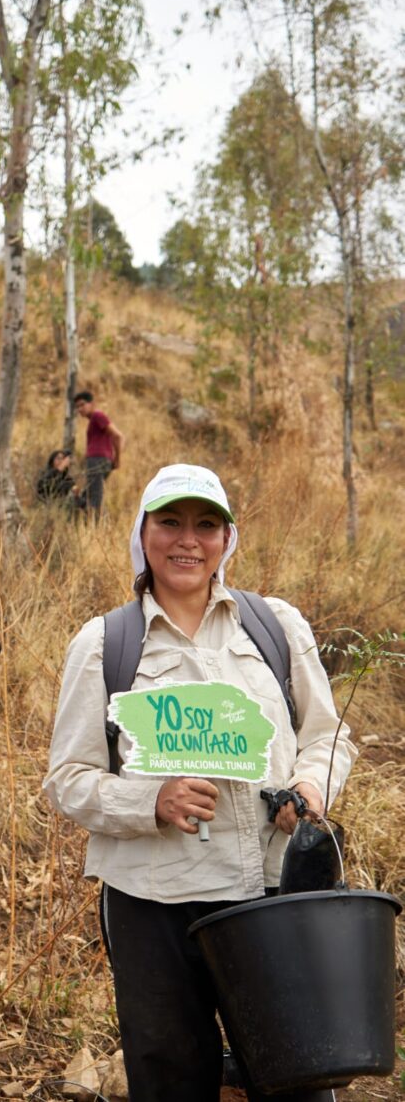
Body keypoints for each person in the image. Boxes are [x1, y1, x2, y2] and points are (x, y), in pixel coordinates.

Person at [44, 463, 356, 1102]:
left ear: (226, 538)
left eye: (206, 525)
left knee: (296, 1074)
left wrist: (311, 786)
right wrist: (149, 800)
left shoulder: (275, 626)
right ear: (143, 532)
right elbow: (67, 780)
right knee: (171, 1080)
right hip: (154, 905)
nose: (188, 540)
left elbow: (329, 736)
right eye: (170, 523)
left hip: (273, 893)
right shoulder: (105, 643)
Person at [73, 390, 124, 519]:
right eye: (77, 407)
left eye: (82, 404)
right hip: (98, 460)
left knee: (94, 499)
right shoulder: (93, 420)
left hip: (97, 460)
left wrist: (117, 459)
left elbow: (118, 436)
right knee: (89, 495)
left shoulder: (97, 416)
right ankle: (92, 522)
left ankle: (96, 527)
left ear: (92, 403)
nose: (80, 409)